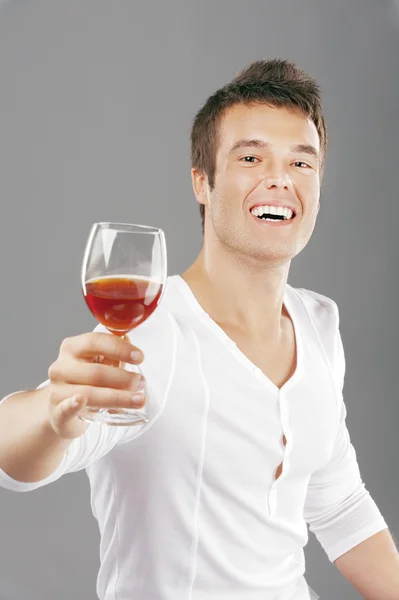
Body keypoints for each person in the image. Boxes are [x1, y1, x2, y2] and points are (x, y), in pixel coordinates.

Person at [0, 59, 398, 600]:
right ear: (202, 183)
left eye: (301, 163)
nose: (279, 178)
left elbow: (340, 504)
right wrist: (52, 415)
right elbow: (15, 458)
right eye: (251, 157)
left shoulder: (318, 324)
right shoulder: (151, 332)